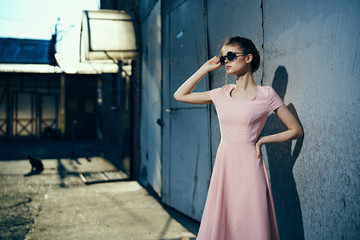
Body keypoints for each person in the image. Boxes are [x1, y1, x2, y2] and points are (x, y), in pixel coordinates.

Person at [173, 36, 303, 240]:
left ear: (248, 58)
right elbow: (180, 95)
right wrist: (205, 68)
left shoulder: (267, 94)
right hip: (225, 166)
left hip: (251, 167)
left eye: (231, 56)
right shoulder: (221, 93)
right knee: (226, 222)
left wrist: (262, 140)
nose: (226, 62)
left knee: (250, 223)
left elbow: (296, 130)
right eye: (224, 58)